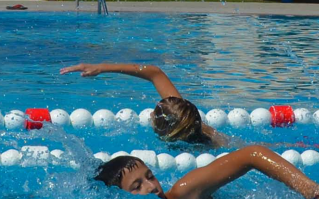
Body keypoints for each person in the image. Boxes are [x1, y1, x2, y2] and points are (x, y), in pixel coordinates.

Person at [95, 145, 319, 199]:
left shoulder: (183, 192)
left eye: (150, 176)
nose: (150, 187)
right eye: (136, 187)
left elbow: (253, 154)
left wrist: (314, 192)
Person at [60, 63, 230, 148]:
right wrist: (101, 67)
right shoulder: (188, 121)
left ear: (166, 131)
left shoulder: (188, 136)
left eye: (154, 114)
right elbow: (155, 73)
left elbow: (155, 72)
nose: (150, 115)